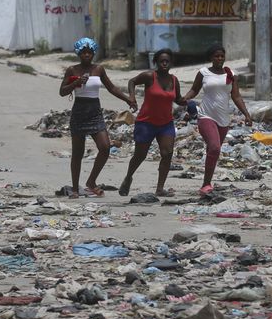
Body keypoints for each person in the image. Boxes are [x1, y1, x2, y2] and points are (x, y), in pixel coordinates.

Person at [59, 37, 136, 198]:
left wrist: (127, 99)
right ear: (79, 54)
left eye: (90, 52)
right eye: (84, 52)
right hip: (79, 111)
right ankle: (74, 188)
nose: (87, 55)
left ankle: (91, 181)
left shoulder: (99, 69)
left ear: (93, 53)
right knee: (77, 153)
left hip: (95, 112)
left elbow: (111, 87)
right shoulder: (72, 70)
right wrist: (76, 83)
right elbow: (63, 91)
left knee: (105, 147)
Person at [182, 44, 253, 196]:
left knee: (212, 151)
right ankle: (206, 184)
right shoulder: (204, 73)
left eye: (222, 56)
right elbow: (194, 90)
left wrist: (246, 114)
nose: (219, 58)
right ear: (211, 58)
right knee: (214, 148)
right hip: (206, 116)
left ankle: (206, 181)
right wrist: (185, 98)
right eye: (216, 56)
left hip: (223, 119)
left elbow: (236, 96)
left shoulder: (230, 74)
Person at [119, 49, 185, 197]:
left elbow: (178, 98)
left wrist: (188, 101)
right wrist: (132, 98)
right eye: (161, 61)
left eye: (167, 61)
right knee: (140, 155)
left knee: (167, 153)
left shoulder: (174, 80)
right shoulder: (149, 76)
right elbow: (132, 82)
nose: (164, 63)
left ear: (171, 63)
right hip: (146, 123)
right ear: (156, 62)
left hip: (166, 123)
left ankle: (160, 188)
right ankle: (128, 177)